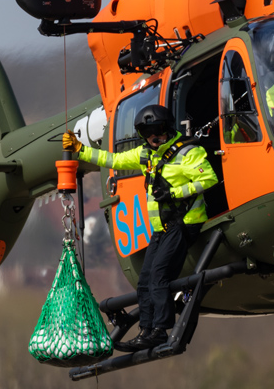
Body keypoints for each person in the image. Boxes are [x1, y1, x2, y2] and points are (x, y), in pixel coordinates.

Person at [62, 104, 218, 352]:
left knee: (159, 275)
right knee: (144, 280)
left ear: (167, 128)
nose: (153, 138)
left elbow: (208, 178)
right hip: (162, 228)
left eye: (157, 131)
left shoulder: (188, 152)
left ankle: (160, 330)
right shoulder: (146, 154)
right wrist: (80, 150)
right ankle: (146, 330)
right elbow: (112, 160)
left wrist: (175, 192)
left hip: (184, 224)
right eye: (147, 134)